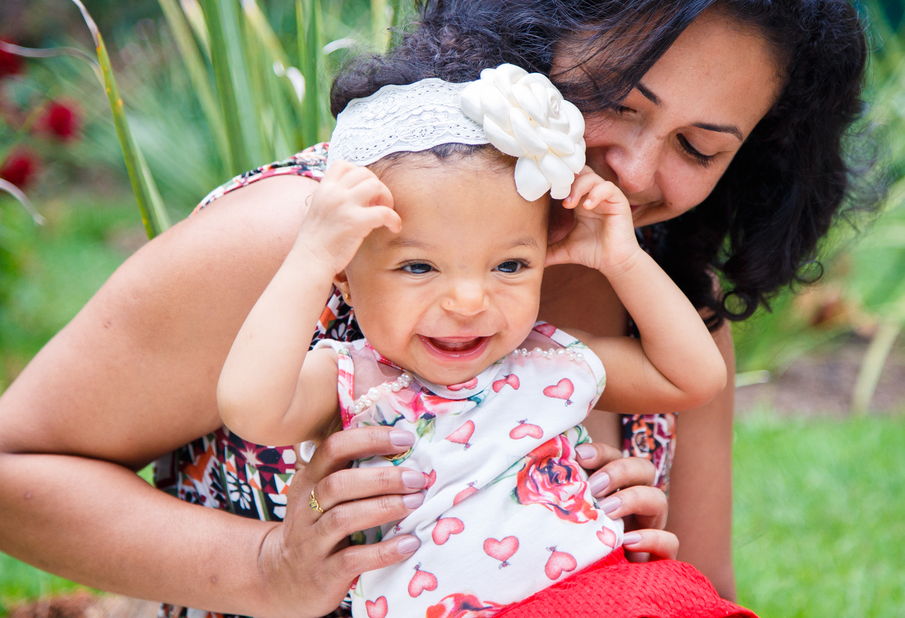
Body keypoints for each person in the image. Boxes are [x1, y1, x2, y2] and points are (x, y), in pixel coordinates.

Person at [0, 0, 867, 618]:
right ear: (539, 33)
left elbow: (710, 583)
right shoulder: (312, 237)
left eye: (700, 149)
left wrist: (633, 557)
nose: (634, 167)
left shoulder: (667, 297)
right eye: (617, 102)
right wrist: (274, 568)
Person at [217, 66, 742, 618]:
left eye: (510, 264)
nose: (469, 301)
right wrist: (311, 256)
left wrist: (623, 259)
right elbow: (250, 408)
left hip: (600, 592)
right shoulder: (356, 381)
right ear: (345, 277)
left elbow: (695, 378)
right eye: (418, 266)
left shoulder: (546, 359)